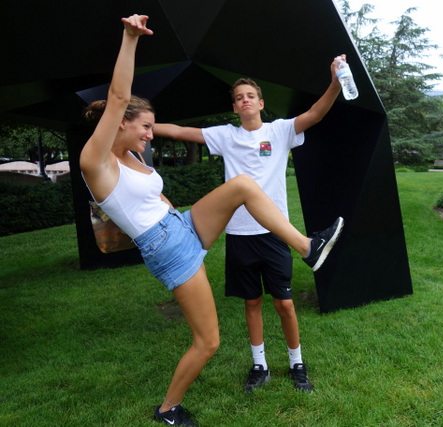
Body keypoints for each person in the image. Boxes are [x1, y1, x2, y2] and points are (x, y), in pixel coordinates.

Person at [79, 15, 343, 426]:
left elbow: (152, 194)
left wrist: (174, 212)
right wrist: (130, 38)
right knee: (208, 342)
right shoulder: (96, 162)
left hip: (180, 225)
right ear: (121, 122)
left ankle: (309, 247)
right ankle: (168, 410)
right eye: (145, 127)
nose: (150, 136)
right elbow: (117, 97)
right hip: (166, 248)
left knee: (243, 185)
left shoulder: (130, 156)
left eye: (151, 128)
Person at [153, 56, 345, 393]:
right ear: (235, 107)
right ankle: (260, 365)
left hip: (274, 233)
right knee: (252, 302)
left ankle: (297, 363)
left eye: (250, 96)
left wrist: (335, 84)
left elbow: (315, 114)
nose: (245, 101)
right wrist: (142, 126)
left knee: (284, 303)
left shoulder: (279, 130)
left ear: (260, 103)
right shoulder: (226, 136)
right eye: (239, 98)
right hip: (239, 235)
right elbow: (181, 131)